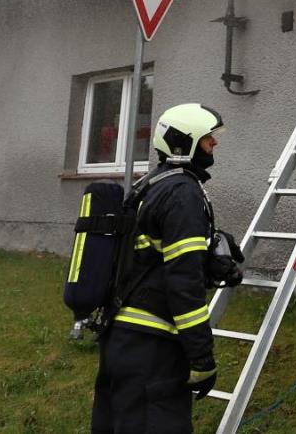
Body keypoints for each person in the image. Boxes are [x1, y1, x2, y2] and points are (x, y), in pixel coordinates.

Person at [91, 103, 230, 434]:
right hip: (151, 349)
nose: (215, 145)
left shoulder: (151, 185)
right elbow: (184, 284)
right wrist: (201, 359)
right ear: (187, 143)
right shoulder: (183, 193)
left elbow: (151, 253)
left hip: (121, 338)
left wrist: (215, 249)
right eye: (209, 140)